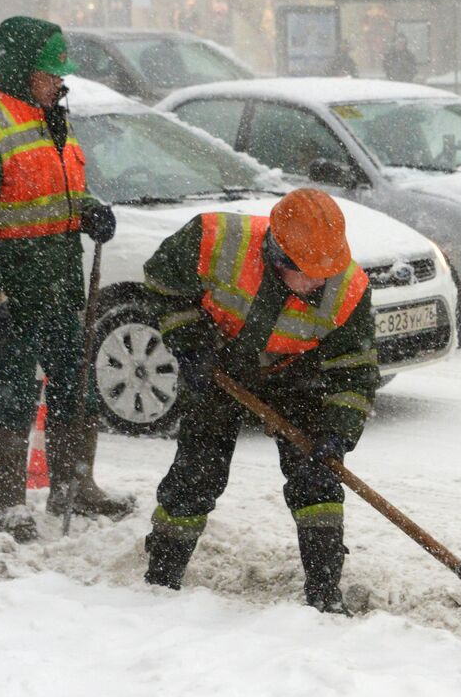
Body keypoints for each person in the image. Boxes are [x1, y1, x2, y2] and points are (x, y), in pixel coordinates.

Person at [139, 189, 379, 613]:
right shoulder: (214, 239)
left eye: (326, 272)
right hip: (218, 365)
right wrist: (190, 341)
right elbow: (163, 283)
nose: (318, 283)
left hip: (295, 375)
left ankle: (324, 591)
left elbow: (354, 369)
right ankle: (163, 573)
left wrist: (337, 433)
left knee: (317, 480)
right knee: (198, 471)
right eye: (308, 273)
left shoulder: (349, 288)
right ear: (277, 254)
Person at [0, 16, 133, 542]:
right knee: (11, 394)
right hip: (13, 291)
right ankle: (6, 507)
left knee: (76, 387)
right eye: (51, 73)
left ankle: (75, 487)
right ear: (22, 70)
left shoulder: (52, 118)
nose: (60, 82)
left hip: (59, 285)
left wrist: (90, 210)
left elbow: (59, 193)